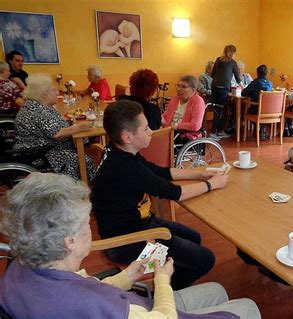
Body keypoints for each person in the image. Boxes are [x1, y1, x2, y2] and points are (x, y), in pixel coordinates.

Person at [0, 172, 261, 318]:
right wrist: (162, 280)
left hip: (127, 303)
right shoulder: (90, 302)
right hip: (148, 313)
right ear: (70, 241)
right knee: (247, 307)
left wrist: (126, 277)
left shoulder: (22, 270)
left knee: (216, 289)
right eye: (84, 224)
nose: (90, 227)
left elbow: (84, 292)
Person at [92, 100, 228, 290]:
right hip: (127, 242)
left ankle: (169, 274)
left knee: (194, 237)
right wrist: (211, 184)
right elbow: (175, 193)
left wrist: (200, 173)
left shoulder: (119, 151)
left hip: (139, 225)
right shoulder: (125, 167)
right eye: (146, 128)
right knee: (206, 259)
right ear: (128, 137)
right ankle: (166, 291)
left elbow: (160, 172)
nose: (151, 132)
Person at [14, 73, 95, 181]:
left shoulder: (41, 106)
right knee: (83, 160)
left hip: (48, 149)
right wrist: (78, 128)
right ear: (43, 93)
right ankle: (82, 190)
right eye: (53, 90)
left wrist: (69, 123)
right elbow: (56, 134)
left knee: (87, 148)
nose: (57, 93)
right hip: (40, 154)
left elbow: (54, 124)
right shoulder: (37, 110)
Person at [210, 45, 243, 139]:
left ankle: (217, 130)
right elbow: (238, 79)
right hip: (223, 88)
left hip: (214, 87)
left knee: (217, 109)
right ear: (233, 53)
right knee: (224, 110)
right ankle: (217, 132)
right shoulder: (232, 62)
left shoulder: (218, 60)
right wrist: (243, 88)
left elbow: (212, 75)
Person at [161, 75, 205, 144]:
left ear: (193, 90)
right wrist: (160, 117)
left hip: (184, 135)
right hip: (170, 129)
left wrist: (176, 125)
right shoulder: (176, 97)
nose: (178, 89)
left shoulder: (198, 101)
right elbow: (168, 112)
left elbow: (195, 125)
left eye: (183, 87)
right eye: (178, 86)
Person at [241, 64, 273, 140]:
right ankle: (262, 127)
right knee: (261, 108)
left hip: (256, 110)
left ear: (257, 73)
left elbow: (243, 93)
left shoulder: (254, 83)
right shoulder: (270, 84)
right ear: (267, 73)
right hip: (269, 111)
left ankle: (255, 128)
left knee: (246, 109)